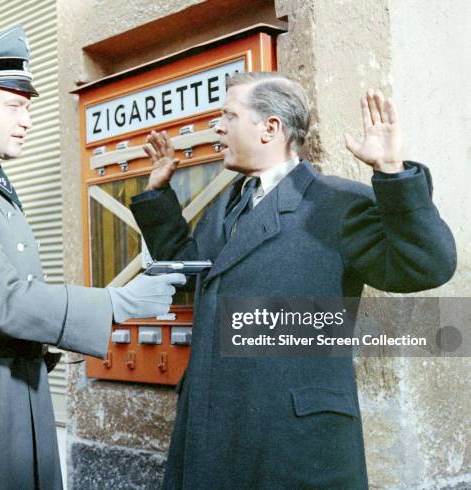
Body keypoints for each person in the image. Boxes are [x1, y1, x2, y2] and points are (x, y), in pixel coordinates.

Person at [0, 25, 184, 490]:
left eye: (28, 107)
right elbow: (5, 300)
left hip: (1, 391)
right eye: (14, 106)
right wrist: (118, 304)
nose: (27, 120)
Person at [130, 72, 456, 489]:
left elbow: (428, 265)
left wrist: (392, 173)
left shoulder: (337, 203)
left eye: (229, 115)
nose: (218, 127)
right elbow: (190, 275)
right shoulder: (224, 206)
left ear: (271, 128)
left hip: (294, 446)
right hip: (215, 434)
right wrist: (159, 197)